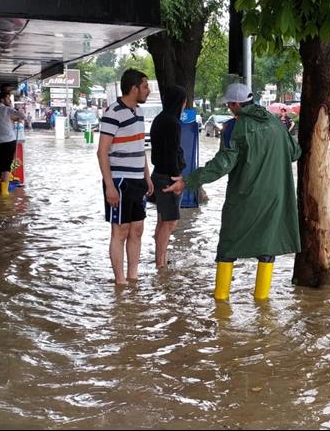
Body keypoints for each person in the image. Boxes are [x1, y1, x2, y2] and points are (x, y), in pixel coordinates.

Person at [164, 83, 301, 301]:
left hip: (245, 197)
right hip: (276, 198)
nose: (228, 107)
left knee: (228, 247)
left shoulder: (234, 127)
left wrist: (187, 181)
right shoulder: (276, 123)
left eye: (229, 104)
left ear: (237, 104)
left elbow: (222, 164)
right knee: (266, 249)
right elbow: (295, 153)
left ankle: (220, 302)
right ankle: (262, 304)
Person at [97, 69, 154, 285]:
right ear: (134, 88)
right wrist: (110, 186)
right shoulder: (113, 112)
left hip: (138, 179)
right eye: (145, 86)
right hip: (119, 181)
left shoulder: (138, 112)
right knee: (120, 231)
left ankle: (133, 278)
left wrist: (146, 176)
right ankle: (120, 282)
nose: (148, 91)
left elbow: (140, 148)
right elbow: (102, 152)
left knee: (137, 230)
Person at [149, 85, 188, 269]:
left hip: (158, 173)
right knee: (170, 222)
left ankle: (161, 260)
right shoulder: (172, 123)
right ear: (179, 102)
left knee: (162, 220)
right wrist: (177, 178)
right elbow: (172, 152)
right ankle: (161, 263)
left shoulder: (159, 119)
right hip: (168, 177)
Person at [0, 85, 25, 196]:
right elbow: (22, 115)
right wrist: (20, 118)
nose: (9, 101)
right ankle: (4, 193)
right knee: (6, 166)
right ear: (3, 99)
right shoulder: (7, 110)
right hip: (9, 140)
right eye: (8, 98)